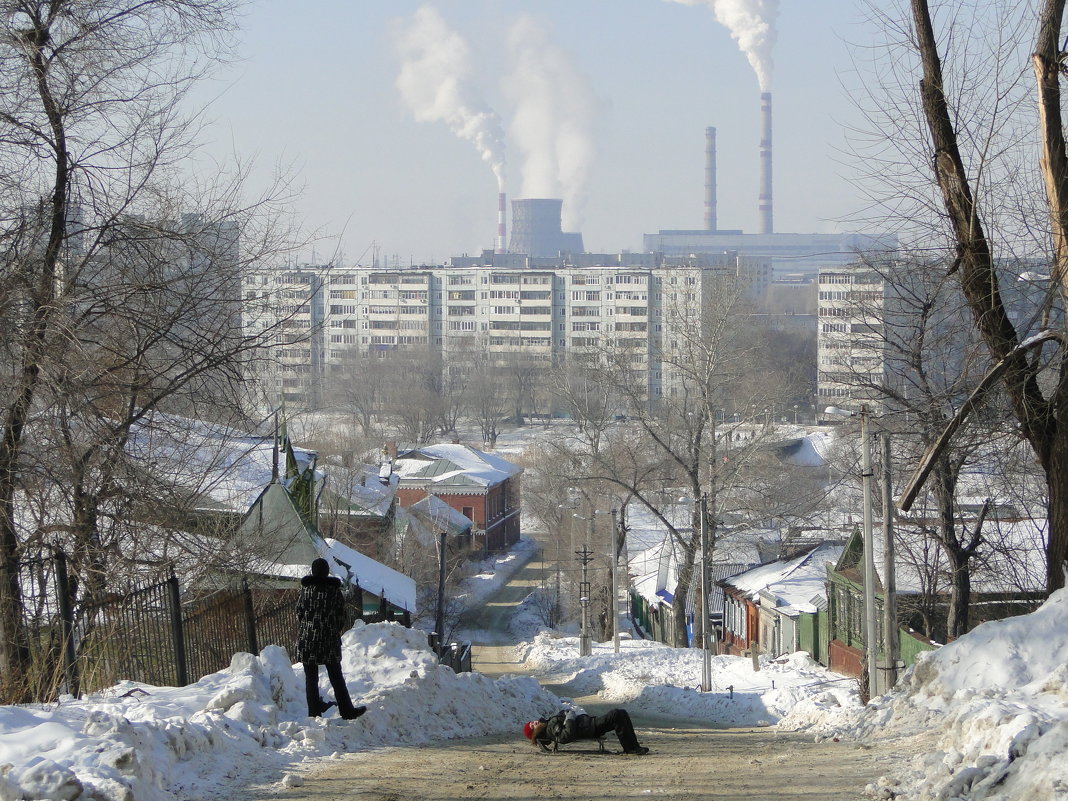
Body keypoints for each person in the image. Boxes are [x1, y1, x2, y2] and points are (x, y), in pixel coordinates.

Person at [295, 557, 366, 720]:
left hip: (308, 640)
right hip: (328, 640)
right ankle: (347, 710)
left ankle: (314, 713)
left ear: (313, 571)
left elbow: (299, 613)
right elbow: (341, 617)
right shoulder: (334, 591)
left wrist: (309, 627)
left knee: (311, 679)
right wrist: (333, 629)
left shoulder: (306, 591)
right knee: (336, 677)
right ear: (327, 572)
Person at [524, 708, 649, 755]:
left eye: (532, 722)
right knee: (617, 715)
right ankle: (631, 748)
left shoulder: (548, 724)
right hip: (589, 728)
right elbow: (566, 735)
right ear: (535, 733)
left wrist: (565, 713)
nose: (534, 722)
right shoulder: (550, 729)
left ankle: (633, 747)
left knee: (620, 714)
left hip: (589, 725)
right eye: (532, 726)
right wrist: (569, 717)